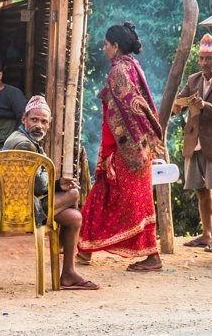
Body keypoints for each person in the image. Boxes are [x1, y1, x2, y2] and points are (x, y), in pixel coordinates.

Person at [0, 95, 99, 290]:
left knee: (73, 217)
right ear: (24, 119)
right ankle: (63, 246)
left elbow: (33, 183)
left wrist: (57, 184)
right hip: (11, 208)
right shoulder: (23, 144)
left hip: (22, 202)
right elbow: (34, 186)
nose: (39, 125)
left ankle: (68, 274)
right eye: (34, 120)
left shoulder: (28, 140)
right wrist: (56, 186)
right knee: (73, 194)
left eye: (44, 122)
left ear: (49, 125)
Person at [78, 21, 165, 272]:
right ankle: (86, 248)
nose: (103, 48)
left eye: (106, 44)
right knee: (129, 200)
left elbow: (117, 117)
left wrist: (107, 152)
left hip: (124, 152)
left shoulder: (118, 72)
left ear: (116, 46)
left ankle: (87, 249)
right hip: (141, 149)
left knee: (113, 198)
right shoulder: (133, 67)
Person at [172, 33, 212, 254]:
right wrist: (177, 107)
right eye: (202, 58)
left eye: (209, 58)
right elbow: (179, 99)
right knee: (200, 190)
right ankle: (206, 234)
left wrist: (205, 105)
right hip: (194, 140)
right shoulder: (193, 79)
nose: (204, 62)